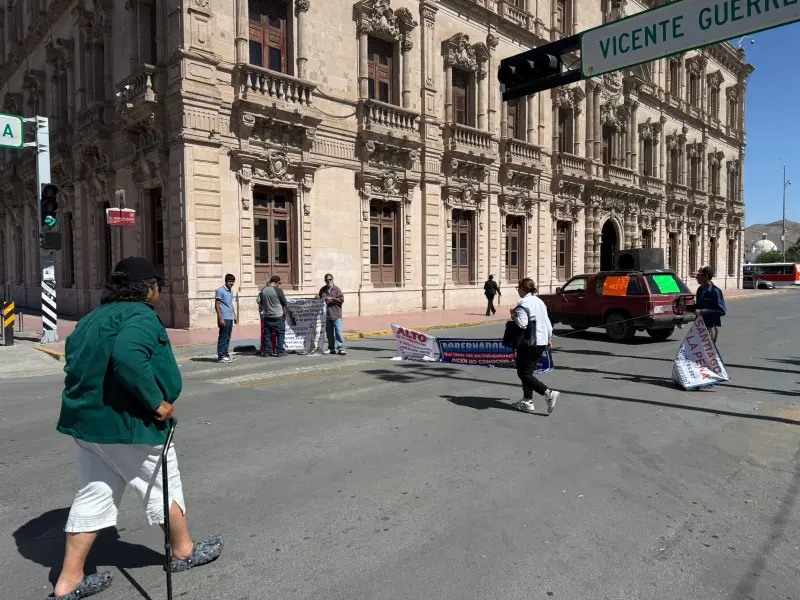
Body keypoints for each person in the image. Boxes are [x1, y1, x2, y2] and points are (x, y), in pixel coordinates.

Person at [51, 257, 222, 600]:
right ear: (148, 288)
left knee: (94, 495)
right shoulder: (141, 316)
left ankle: (67, 582)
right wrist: (156, 402)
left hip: (88, 427)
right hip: (129, 425)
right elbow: (128, 356)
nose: (159, 291)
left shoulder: (92, 318)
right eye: (158, 285)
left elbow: (73, 356)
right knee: (163, 484)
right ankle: (183, 551)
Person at [510, 277, 561, 414]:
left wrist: (513, 315)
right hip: (542, 341)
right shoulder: (540, 302)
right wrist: (549, 337)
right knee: (528, 371)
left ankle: (548, 392)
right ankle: (527, 400)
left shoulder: (523, 303)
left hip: (529, 342)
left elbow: (522, 324)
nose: (517, 290)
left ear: (522, 288)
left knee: (523, 373)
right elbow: (547, 322)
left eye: (518, 288)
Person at [688, 266, 726, 344]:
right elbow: (698, 306)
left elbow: (721, 310)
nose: (696, 277)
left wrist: (702, 311)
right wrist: (686, 308)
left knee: (708, 353)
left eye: (699, 275)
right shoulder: (700, 289)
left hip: (710, 326)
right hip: (699, 325)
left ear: (706, 276)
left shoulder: (715, 291)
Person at [258, 275, 289, 357]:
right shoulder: (278, 290)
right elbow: (284, 303)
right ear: (277, 282)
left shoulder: (263, 290)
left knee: (267, 335)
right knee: (280, 334)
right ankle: (280, 351)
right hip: (278, 315)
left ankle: (267, 351)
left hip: (267, 316)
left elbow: (260, 302)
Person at [319, 273, 346, 355]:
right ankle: (331, 348)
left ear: (333, 279)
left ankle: (341, 348)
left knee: (338, 332)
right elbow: (320, 299)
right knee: (329, 333)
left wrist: (333, 299)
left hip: (336, 315)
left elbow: (341, 300)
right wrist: (317, 298)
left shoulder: (337, 289)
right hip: (327, 315)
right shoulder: (323, 290)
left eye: (330, 279)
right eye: (326, 280)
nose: (328, 281)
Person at [215, 274, 238, 363]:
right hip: (223, 317)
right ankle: (221, 356)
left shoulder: (231, 291)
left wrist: (234, 316)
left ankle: (225, 354)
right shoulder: (220, 290)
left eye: (232, 281)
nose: (231, 283)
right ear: (226, 281)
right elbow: (217, 304)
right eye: (229, 281)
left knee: (228, 337)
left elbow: (230, 304)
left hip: (230, 317)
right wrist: (220, 318)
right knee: (223, 337)